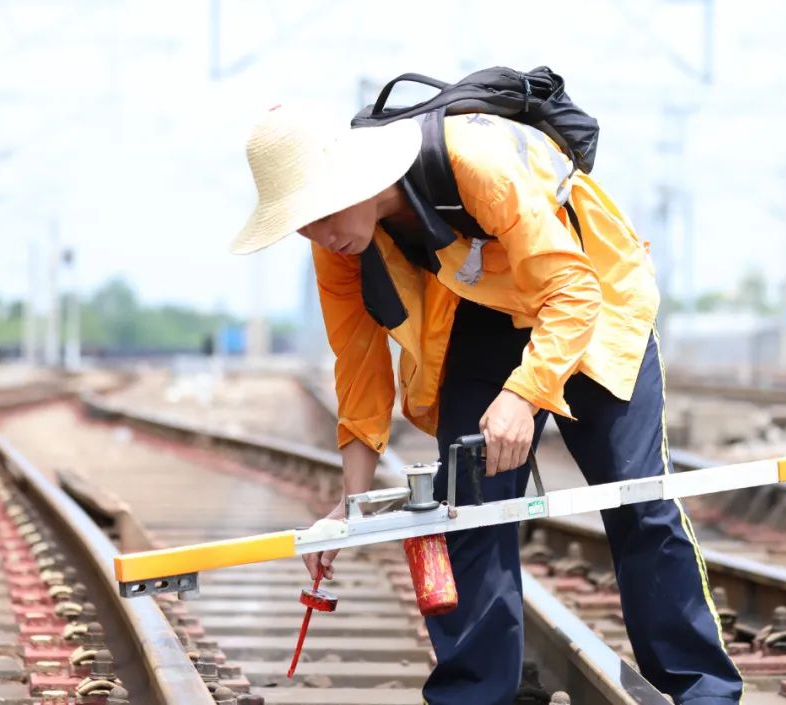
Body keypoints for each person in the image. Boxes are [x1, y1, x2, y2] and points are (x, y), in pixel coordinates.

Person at [230, 104, 742, 705]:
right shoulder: (339, 246)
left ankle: (704, 692)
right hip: (486, 318)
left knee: (638, 499)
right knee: (465, 509)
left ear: (353, 178)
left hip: (591, 299)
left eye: (317, 212)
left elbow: (572, 291)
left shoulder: (478, 165)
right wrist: (351, 509)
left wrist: (522, 397)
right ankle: (475, 695)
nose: (316, 233)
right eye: (299, 222)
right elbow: (358, 367)